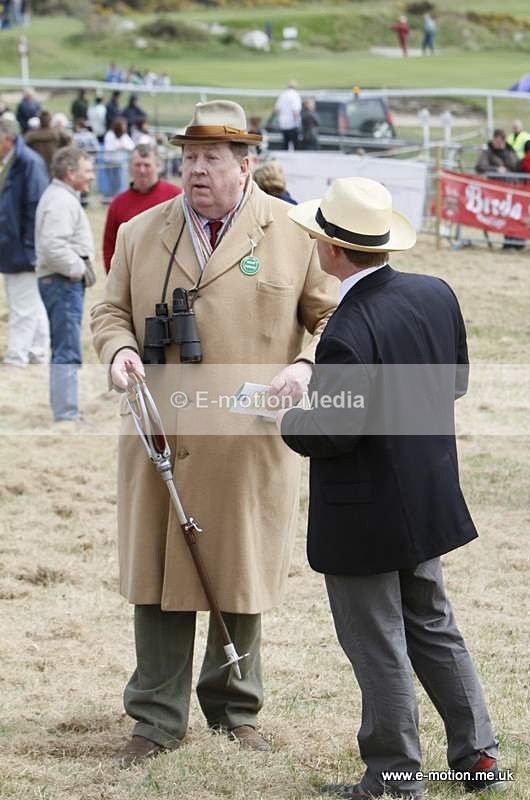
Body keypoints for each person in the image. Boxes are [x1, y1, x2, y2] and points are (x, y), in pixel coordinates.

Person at [90, 99, 337, 767]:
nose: (196, 170)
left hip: (247, 437)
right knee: (158, 577)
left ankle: (236, 709)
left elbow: (330, 318)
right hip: (159, 431)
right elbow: (109, 312)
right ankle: (155, 718)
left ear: (245, 164)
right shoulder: (141, 231)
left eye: (212, 159)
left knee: (240, 571)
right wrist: (119, 351)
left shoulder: (292, 233)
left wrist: (306, 366)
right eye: (190, 157)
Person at [278, 176, 504, 800]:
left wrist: (285, 416)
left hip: (364, 513)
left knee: (378, 643)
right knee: (433, 623)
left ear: (332, 249)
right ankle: (478, 756)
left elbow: (332, 430)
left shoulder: (348, 328)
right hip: (425, 494)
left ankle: (395, 778)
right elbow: (454, 384)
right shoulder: (435, 293)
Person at [35, 146, 96, 423]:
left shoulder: (61, 197)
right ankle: (67, 415)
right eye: (87, 170)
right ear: (71, 173)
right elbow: (52, 247)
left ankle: (65, 411)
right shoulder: (61, 200)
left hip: (61, 282)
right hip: (62, 283)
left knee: (65, 346)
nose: (92, 176)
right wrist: (79, 270)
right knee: (67, 349)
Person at [0, 115, 49, 367]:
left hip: (22, 248)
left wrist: (31, 249)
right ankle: (38, 351)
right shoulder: (12, 162)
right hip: (12, 245)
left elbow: (36, 208)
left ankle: (17, 355)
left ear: (7, 139)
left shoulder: (27, 163)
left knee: (22, 305)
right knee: (30, 302)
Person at [102, 142, 182, 273]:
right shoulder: (118, 203)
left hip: (168, 274)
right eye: (138, 165)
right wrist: (113, 276)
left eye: (147, 165)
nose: (142, 170)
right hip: (131, 275)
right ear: (130, 167)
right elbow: (109, 246)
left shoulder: (176, 196)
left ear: (158, 166)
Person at [103, 116, 134, 201]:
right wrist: (118, 146)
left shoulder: (124, 135)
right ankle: (110, 199)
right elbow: (108, 148)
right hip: (110, 163)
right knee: (111, 182)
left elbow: (131, 146)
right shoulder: (110, 134)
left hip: (120, 163)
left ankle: (119, 198)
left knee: (120, 182)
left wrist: (124, 146)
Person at [25, 110, 62, 175]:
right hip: (52, 168)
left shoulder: (31, 136)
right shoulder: (58, 135)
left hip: (37, 168)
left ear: (40, 120)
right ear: (50, 120)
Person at [274, 80, 302, 150]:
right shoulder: (295, 95)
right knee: (296, 146)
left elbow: (277, 110)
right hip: (293, 124)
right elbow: (295, 111)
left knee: (285, 146)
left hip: (283, 124)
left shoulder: (282, 95)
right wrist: (298, 123)